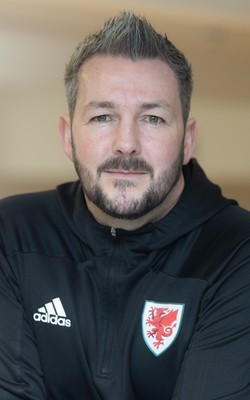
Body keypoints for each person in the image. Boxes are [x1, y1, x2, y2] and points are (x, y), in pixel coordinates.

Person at [0, 11, 249, 400]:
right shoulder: (13, 234)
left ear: (187, 140)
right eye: (103, 116)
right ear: (68, 137)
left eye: (152, 118)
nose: (126, 142)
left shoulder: (237, 251)